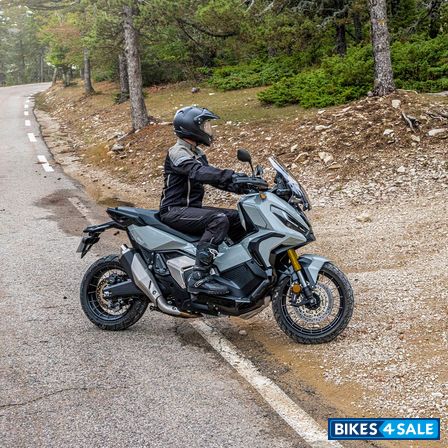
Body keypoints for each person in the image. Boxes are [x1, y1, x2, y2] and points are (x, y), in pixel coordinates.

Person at [159, 106, 246, 297]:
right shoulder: (178, 152)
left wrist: (243, 184)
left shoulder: (196, 152)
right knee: (218, 219)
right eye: (205, 125)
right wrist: (230, 175)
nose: (209, 129)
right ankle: (198, 277)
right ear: (191, 127)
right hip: (173, 210)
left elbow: (212, 178)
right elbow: (197, 172)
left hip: (190, 210)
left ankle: (234, 268)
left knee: (238, 217)